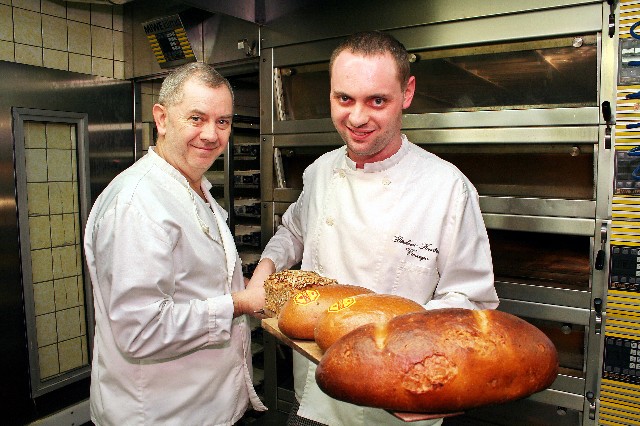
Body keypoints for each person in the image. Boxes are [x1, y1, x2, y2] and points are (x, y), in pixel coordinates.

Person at [248, 31, 500, 426]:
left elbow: (472, 300)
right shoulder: (320, 172)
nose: (358, 117)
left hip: (400, 398)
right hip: (316, 393)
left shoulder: (447, 187)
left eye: (377, 100)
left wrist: (415, 352)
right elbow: (294, 230)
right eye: (344, 98)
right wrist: (265, 269)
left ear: (408, 92)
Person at [84, 62, 267, 425]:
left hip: (206, 407)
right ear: (162, 118)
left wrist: (235, 290)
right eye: (196, 118)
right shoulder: (137, 203)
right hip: (161, 413)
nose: (211, 135)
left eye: (223, 121)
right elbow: (141, 329)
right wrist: (238, 302)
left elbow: (187, 284)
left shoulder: (194, 189)